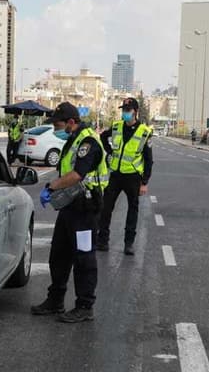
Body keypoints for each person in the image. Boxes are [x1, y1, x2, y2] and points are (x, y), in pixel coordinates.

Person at [31, 102, 109, 323]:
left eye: (59, 125)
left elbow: (77, 175)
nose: (57, 129)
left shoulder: (88, 142)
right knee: (59, 255)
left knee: (84, 258)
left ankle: (85, 306)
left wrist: (51, 186)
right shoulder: (74, 140)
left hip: (85, 210)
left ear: (72, 122)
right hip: (70, 207)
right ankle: (55, 300)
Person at [97, 97, 154, 255]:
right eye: (123, 110)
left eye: (128, 111)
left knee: (132, 211)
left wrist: (144, 182)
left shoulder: (144, 133)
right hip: (115, 175)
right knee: (106, 208)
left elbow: (149, 160)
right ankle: (102, 241)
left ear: (135, 112)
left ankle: (129, 244)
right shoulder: (116, 126)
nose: (125, 113)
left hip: (133, 177)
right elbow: (103, 137)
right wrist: (110, 152)